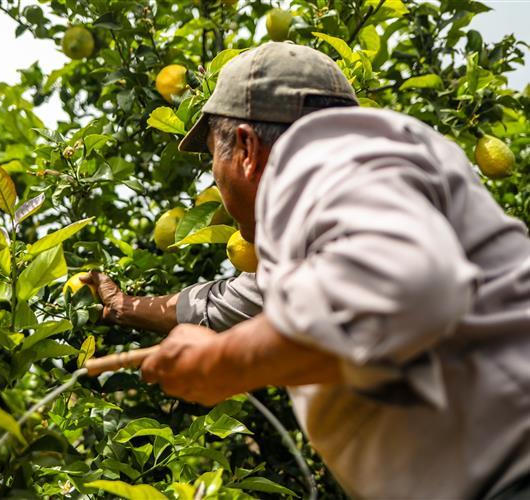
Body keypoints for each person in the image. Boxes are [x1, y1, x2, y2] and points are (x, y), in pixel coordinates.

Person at [82, 42, 530, 499]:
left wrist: (226, 362)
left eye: (213, 159)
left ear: (245, 147)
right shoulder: (338, 208)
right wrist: (123, 307)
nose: (216, 182)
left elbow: (405, 287)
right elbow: (231, 307)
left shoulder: (316, 153)